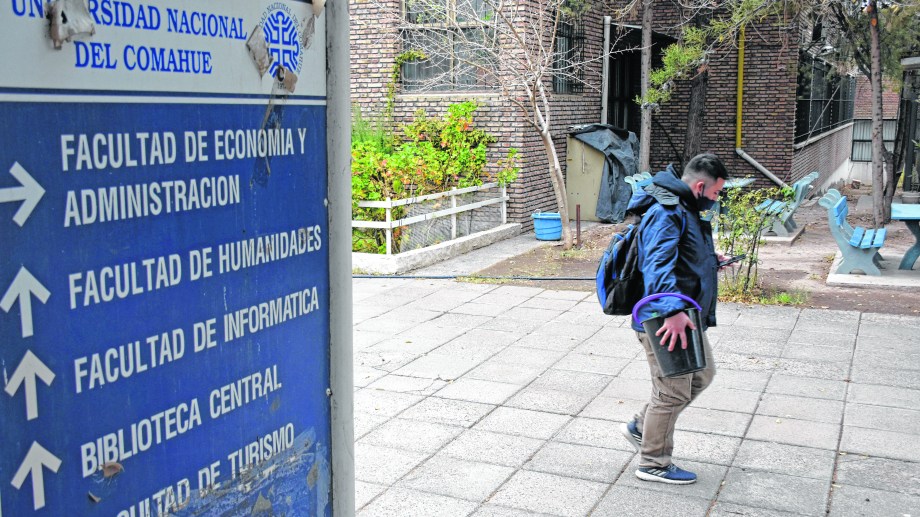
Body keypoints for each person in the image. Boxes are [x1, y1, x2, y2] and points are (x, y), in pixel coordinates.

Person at [619, 153, 729, 485]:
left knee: (702, 375)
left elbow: (680, 254)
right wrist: (672, 312)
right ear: (700, 186)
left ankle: (642, 427)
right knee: (672, 391)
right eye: (716, 193)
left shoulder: (685, 207)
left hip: (685, 314)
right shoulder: (667, 211)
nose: (716, 199)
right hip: (666, 317)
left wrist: (710, 258)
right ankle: (653, 461)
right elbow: (656, 265)